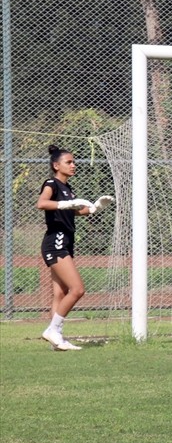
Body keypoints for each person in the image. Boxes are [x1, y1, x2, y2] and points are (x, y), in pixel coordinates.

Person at [35, 144, 114, 351]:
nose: (73, 165)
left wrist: (95, 208)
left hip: (66, 242)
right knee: (77, 289)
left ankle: (57, 340)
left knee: (60, 293)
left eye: (74, 162)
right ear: (56, 165)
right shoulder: (51, 183)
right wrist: (65, 204)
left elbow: (74, 211)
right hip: (56, 242)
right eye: (68, 162)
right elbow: (42, 203)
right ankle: (53, 330)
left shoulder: (67, 189)